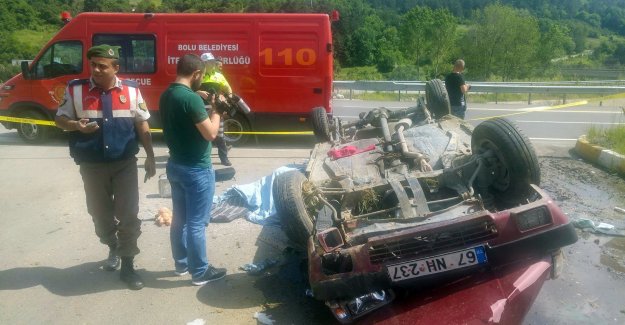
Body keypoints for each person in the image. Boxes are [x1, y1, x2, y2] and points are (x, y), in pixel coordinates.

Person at [55, 44, 156, 290]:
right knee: (99, 215)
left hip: (124, 164)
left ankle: (128, 264)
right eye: (94, 65)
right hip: (92, 165)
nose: (97, 70)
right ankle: (112, 244)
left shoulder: (132, 90)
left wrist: (151, 156)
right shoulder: (75, 89)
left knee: (128, 214)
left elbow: (142, 125)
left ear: (115, 68)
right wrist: (76, 126)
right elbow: (59, 119)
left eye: (103, 66)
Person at [159, 54, 227, 286]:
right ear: (197, 74)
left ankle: (181, 264)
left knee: (180, 218)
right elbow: (210, 133)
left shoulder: (167, 94)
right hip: (196, 169)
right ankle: (200, 272)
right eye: (202, 76)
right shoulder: (191, 99)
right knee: (197, 223)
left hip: (175, 165)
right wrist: (217, 111)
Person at [197, 52, 232, 166]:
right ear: (203, 63)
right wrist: (198, 92)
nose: (213, 63)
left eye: (213, 61)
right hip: (200, 108)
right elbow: (188, 91)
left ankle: (224, 158)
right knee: (202, 134)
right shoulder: (197, 77)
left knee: (220, 134)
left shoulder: (219, 75)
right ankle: (202, 159)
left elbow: (228, 89)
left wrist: (228, 99)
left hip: (216, 109)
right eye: (210, 62)